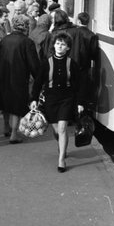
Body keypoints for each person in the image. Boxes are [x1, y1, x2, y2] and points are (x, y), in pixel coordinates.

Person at [31, 31, 84, 173]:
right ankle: (61, 146)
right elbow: (37, 83)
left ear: (68, 48)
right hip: (51, 99)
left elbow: (79, 85)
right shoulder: (46, 63)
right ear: (54, 45)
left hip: (67, 99)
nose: (60, 46)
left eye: (63, 44)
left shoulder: (72, 64)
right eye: (58, 43)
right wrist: (34, 99)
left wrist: (80, 103)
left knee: (62, 129)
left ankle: (61, 159)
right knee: (56, 131)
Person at [0, 14, 40, 144]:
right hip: (19, 76)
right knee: (17, 105)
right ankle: (14, 134)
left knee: (5, 103)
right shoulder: (27, 42)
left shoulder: (4, 40)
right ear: (26, 27)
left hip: (3, 75)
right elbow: (33, 64)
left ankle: (6, 127)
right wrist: (39, 78)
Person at [69, 12, 99, 110]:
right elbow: (94, 53)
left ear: (78, 20)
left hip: (71, 63)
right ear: (89, 22)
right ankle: (79, 109)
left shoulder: (72, 32)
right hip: (84, 65)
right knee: (82, 88)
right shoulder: (92, 35)